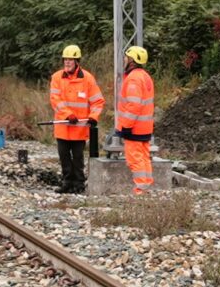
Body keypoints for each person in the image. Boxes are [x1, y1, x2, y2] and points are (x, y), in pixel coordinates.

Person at [48, 44, 106, 195]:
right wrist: (68, 114)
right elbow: (55, 100)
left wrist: (93, 117)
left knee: (78, 157)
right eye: (65, 59)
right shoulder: (56, 78)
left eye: (70, 60)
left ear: (77, 61)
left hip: (79, 128)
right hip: (63, 127)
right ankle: (67, 183)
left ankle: (79, 183)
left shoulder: (87, 79)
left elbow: (98, 101)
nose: (67, 62)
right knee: (64, 156)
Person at [115, 45, 156, 193]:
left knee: (135, 159)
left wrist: (125, 125)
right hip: (145, 128)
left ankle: (141, 190)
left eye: (127, 57)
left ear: (132, 61)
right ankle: (146, 187)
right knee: (144, 158)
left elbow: (134, 105)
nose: (124, 59)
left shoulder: (133, 79)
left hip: (134, 128)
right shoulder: (145, 76)